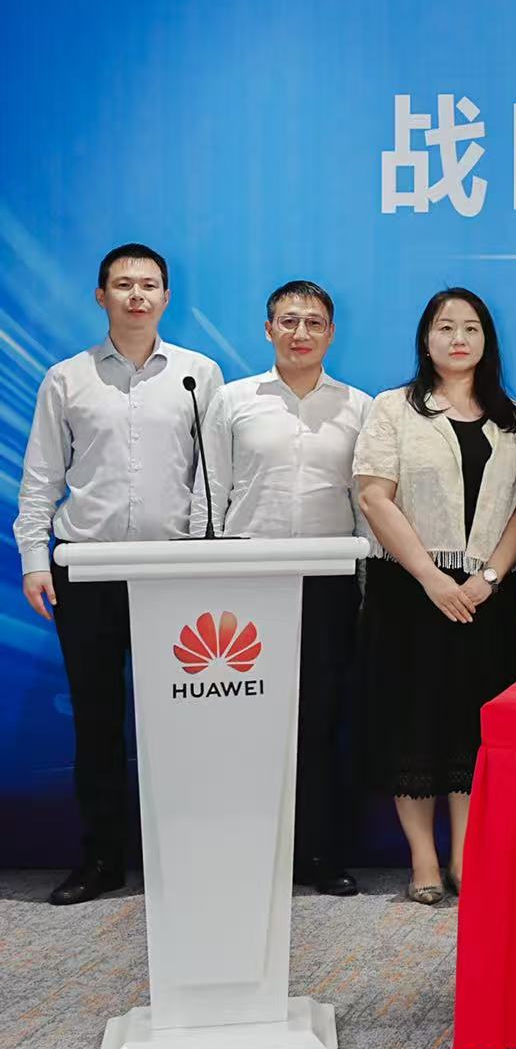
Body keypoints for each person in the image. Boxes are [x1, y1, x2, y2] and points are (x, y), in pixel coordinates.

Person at [16, 244, 223, 906]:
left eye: (150, 284)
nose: (138, 295)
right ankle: (102, 858)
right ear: (101, 295)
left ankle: (184, 856)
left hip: (174, 571)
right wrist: (34, 557)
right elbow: (41, 477)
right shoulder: (67, 378)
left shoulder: (198, 374)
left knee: (182, 721)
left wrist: (202, 555)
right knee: (98, 720)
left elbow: (211, 477)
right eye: (124, 284)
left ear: (167, 297)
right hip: (89, 569)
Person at [193, 280, 372, 897]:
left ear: (331, 333)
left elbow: (367, 505)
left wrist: (368, 583)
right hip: (246, 581)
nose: (301, 333)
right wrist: (202, 575)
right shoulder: (233, 399)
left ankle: (319, 853)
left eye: (314, 322)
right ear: (268, 329)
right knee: (244, 721)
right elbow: (209, 495)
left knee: (320, 720)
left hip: (328, 580)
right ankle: (248, 853)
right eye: (289, 321)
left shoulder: (358, 406)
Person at [353, 288, 516, 905]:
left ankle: (464, 855)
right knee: (413, 722)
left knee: (473, 727)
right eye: (445, 327)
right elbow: (374, 496)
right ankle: (423, 858)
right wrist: (430, 577)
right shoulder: (394, 408)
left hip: (485, 596)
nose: (458, 338)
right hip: (409, 591)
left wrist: (489, 578)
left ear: (487, 341)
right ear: (426, 340)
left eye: (471, 327)